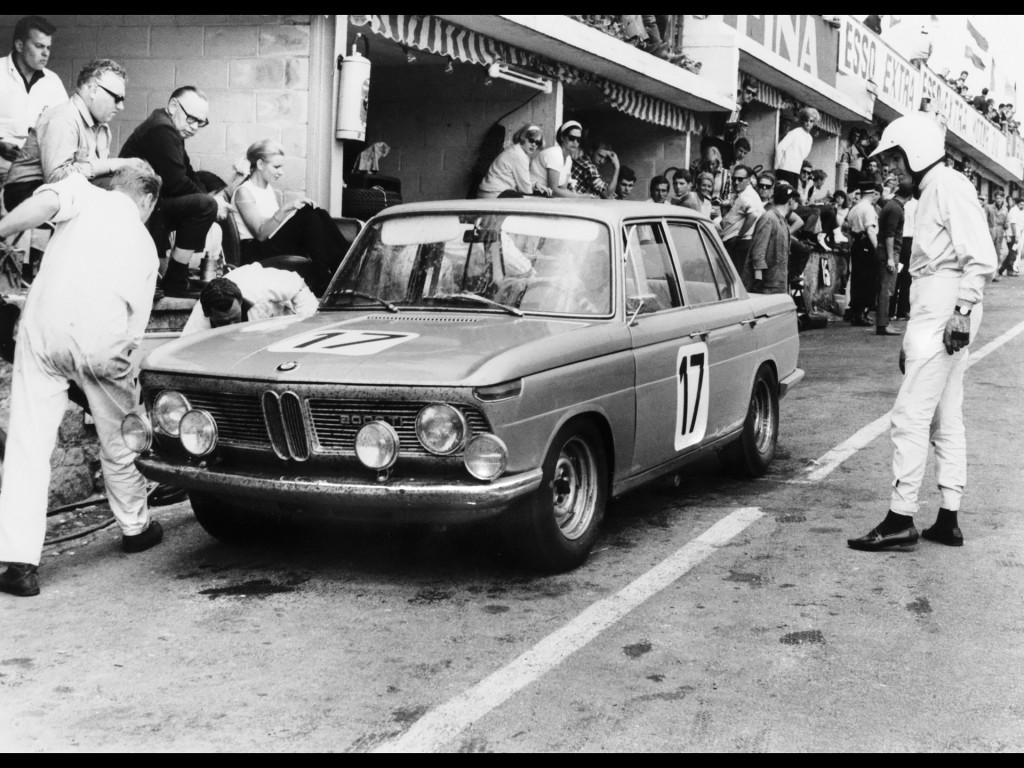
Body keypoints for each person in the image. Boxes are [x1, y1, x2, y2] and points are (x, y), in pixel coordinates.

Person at [0, 165, 166, 597]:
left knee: (28, 444)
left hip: (44, 329)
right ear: (146, 200)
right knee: (119, 438)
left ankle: (17, 561)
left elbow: (45, 203)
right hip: (104, 340)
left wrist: (2, 229)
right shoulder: (146, 246)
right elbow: (135, 330)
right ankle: (135, 527)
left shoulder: (86, 195)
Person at [847, 113, 997, 552]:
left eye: (893, 159)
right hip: (934, 305)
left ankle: (900, 516)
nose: (887, 170)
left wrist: (962, 310)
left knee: (909, 416)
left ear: (915, 152)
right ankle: (948, 515)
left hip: (947, 303)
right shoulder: (930, 191)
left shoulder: (948, 185)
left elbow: (980, 257)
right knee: (944, 416)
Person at [119, 85, 232, 297]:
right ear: (173, 105)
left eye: (201, 122)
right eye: (192, 119)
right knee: (204, 206)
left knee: (204, 203)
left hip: (150, 203)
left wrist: (210, 199)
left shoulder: (169, 127)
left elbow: (188, 172)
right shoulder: (161, 128)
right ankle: (175, 278)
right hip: (135, 206)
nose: (195, 127)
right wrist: (212, 204)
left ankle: (175, 276)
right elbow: (176, 183)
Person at [3, 59, 140, 212]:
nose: (121, 106)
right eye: (117, 98)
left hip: (54, 192)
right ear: (93, 90)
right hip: (26, 192)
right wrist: (111, 164)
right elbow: (56, 179)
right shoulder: (63, 117)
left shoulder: (102, 127)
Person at [228, 139, 352, 294]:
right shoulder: (244, 192)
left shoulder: (267, 189)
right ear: (260, 165)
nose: (281, 172)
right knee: (308, 218)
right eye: (276, 167)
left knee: (317, 213)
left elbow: (275, 227)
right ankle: (326, 282)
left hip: (268, 244)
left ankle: (347, 269)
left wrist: (292, 214)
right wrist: (286, 208)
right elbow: (260, 234)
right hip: (253, 251)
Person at [0, 16, 66, 186]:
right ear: (20, 45)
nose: (46, 53)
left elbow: (64, 125)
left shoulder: (53, 81)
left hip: (36, 168)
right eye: (39, 46)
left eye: (48, 48)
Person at [181, 263, 319, 336]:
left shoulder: (261, 284)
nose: (231, 327)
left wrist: (305, 323)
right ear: (207, 314)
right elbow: (185, 355)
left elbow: (299, 286)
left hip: (285, 323)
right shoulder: (198, 322)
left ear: (241, 302)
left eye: (235, 318)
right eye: (223, 322)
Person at [743, 181, 799, 293]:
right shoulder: (769, 218)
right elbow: (758, 252)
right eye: (795, 199)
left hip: (777, 282)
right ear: (790, 200)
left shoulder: (781, 221)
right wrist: (758, 281)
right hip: (766, 286)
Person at [476, 123, 551, 199]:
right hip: (494, 194)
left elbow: (523, 184)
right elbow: (526, 189)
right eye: (531, 140)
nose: (534, 145)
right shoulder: (519, 155)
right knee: (539, 200)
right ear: (523, 137)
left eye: (537, 143)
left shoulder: (516, 150)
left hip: (490, 193)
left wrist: (535, 184)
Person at [874, 181, 910, 337]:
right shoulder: (896, 209)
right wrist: (890, 258)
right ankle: (883, 324)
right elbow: (890, 235)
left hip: (885, 250)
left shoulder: (890, 205)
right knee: (886, 289)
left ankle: (884, 322)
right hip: (889, 251)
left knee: (885, 288)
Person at [844, 180, 882, 326]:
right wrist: (877, 248)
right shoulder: (868, 209)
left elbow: (846, 224)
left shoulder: (854, 208)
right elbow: (871, 230)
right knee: (867, 280)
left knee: (857, 279)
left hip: (856, 243)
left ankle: (856, 312)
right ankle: (861, 314)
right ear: (872, 194)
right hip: (865, 244)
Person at [719, 164, 762, 274]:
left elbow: (753, 215)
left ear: (748, 180)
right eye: (734, 179)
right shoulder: (745, 194)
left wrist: (739, 235)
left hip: (739, 243)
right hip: (737, 242)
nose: (736, 182)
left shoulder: (746, 196)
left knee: (731, 276)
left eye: (740, 179)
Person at [530, 120, 584, 197]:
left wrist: (578, 195)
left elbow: (563, 189)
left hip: (544, 197)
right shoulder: (555, 154)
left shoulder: (568, 159)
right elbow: (554, 190)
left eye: (579, 140)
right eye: (571, 138)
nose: (575, 142)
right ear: (562, 137)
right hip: (531, 196)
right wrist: (580, 197)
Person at [774, 107, 819, 187]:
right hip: (785, 170)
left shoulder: (809, 138)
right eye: (806, 120)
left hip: (796, 171)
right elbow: (780, 148)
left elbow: (803, 156)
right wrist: (777, 168)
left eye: (811, 121)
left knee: (792, 196)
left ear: (814, 122)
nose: (808, 123)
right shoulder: (795, 132)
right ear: (802, 121)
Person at [985, 190, 1007, 282]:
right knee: (989, 252)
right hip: (991, 230)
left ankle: (996, 273)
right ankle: (988, 273)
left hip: (1000, 232)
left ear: (1003, 198)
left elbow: (1006, 223)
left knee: (998, 253)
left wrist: (1005, 231)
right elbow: (985, 220)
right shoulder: (989, 207)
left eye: (1001, 198)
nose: (999, 200)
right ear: (995, 198)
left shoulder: (1005, 209)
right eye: (997, 198)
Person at [998, 197, 1024, 277]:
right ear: (1017, 204)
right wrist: (1015, 236)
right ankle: (1008, 270)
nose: (1022, 206)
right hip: (1012, 235)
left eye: (1023, 204)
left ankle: (1002, 269)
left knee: (1013, 252)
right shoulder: (1014, 211)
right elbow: (1013, 224)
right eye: (1020, 204)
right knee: (1013, 253)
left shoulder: (1020, 211)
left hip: (1018, 235)